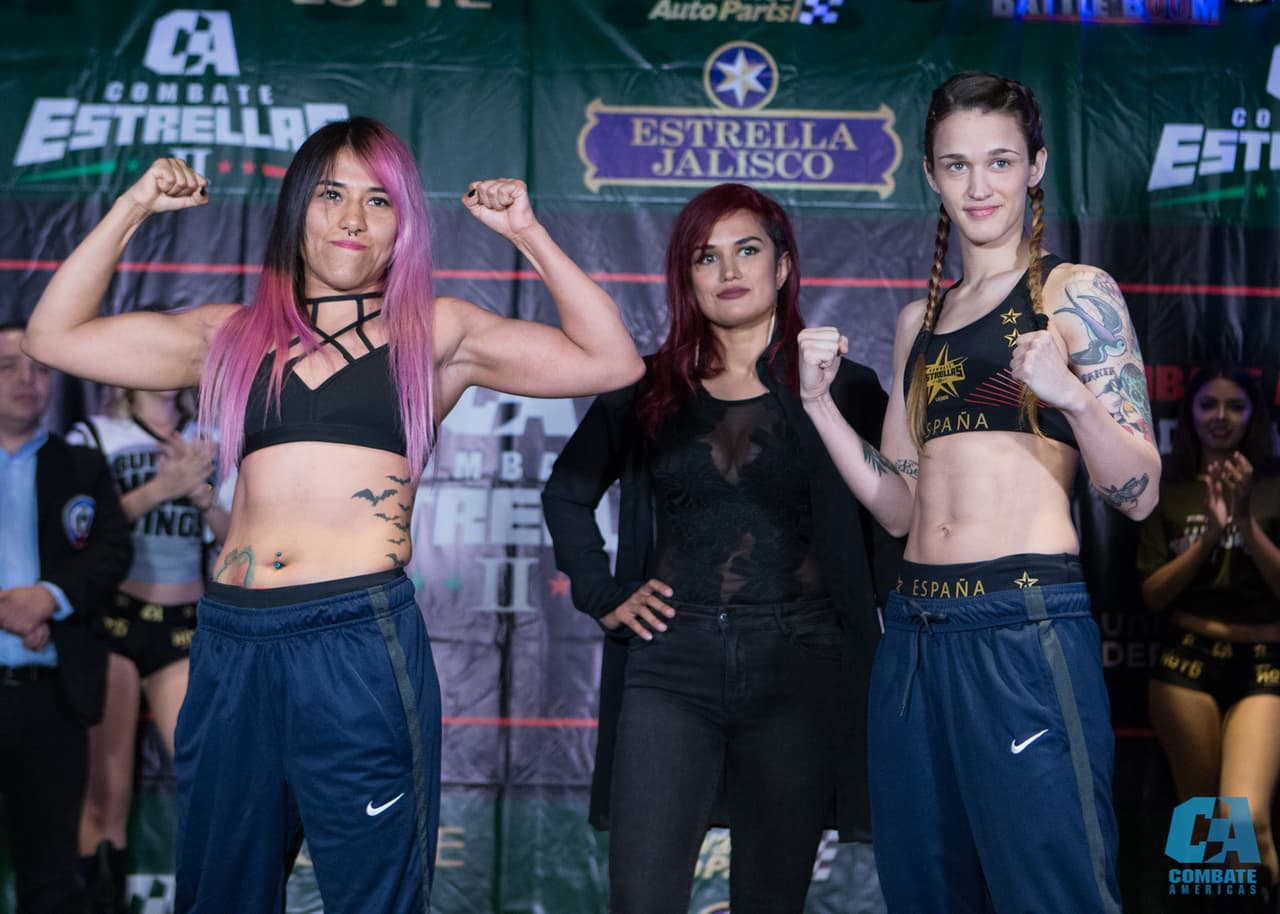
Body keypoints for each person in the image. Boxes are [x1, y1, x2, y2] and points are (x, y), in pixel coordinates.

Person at [23, 117, 644, 913]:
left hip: (355, 637)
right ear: (298, 212)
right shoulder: (232, 334)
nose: (353, 217)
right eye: (332, 194)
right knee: (220, 892)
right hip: (232, 638)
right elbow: (53, 334)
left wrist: (525, 231)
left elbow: (612, 360)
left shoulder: (436, 331)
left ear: (403, 226)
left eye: (379, 200)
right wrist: (136, 205)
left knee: (371, 895)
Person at [797, 72, 1160, 912]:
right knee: (926, 892)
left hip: (1021, 624)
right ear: (930, 174)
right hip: (916, 631)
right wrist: (818, 406)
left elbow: (1138, 494)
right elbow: (899, 504)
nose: (979, 185)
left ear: (1035, 166)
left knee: (1053, 891)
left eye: (999, 162)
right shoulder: (917, 323)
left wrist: (1072, 396)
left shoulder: (1076, 293)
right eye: (956, 165)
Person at [542, 183, 892, 914]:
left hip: (800, 666)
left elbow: (891, 526)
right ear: (686, 277)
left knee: (770, 900)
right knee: (640, 898)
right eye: (707, 256)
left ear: (785, 266)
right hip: (671, 664)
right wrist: (603, 594)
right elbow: (566, 495)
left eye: (748, 249)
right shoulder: (643, 388)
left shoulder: (847, 389)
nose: (729, 269)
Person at [66, 387, 228, 914]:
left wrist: (202, 496)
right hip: (112, 620)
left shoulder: (213, 441)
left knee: (207, 774)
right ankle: (99, 902)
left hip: (182, 624)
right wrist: (164, 488)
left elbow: (240, 539)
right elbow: (75, 534)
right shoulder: (94, 436)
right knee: (106, 791)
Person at [0, 322, 133, 914]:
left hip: (51, 696)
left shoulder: (80, 465)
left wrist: (49, 597)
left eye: (39, 367)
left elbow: (111, 550)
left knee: (50, 874)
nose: (27, 381)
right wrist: (11, 610)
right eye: (8, 367)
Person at [1140, 366, 1280, 898]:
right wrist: (1212, 535)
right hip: (1184, 666)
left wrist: (1244, 521)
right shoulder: (1171, 492)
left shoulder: (1273, 488)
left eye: (1236, 406)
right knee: (1202, 832)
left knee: (1246, 821)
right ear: (1191, 413)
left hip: (1264, 666)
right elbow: (1153, 594)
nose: (1221, 417)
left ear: (1254, 415)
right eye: (1208, 405)